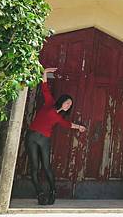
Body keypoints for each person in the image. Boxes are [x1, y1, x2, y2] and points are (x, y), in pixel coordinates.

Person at [26, 67, 86, 205]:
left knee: (46, 166)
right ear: (62, 101)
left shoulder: (60, 117)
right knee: (34, 167)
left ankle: (53, 191)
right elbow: (45, 87)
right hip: (31, 137)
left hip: (44, 140)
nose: (68, 105)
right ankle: (40, 194)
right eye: (67, 102)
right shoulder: (50, 103)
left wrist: (79, 127)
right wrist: (45, 72)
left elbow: (67, 124)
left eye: (70, 105)